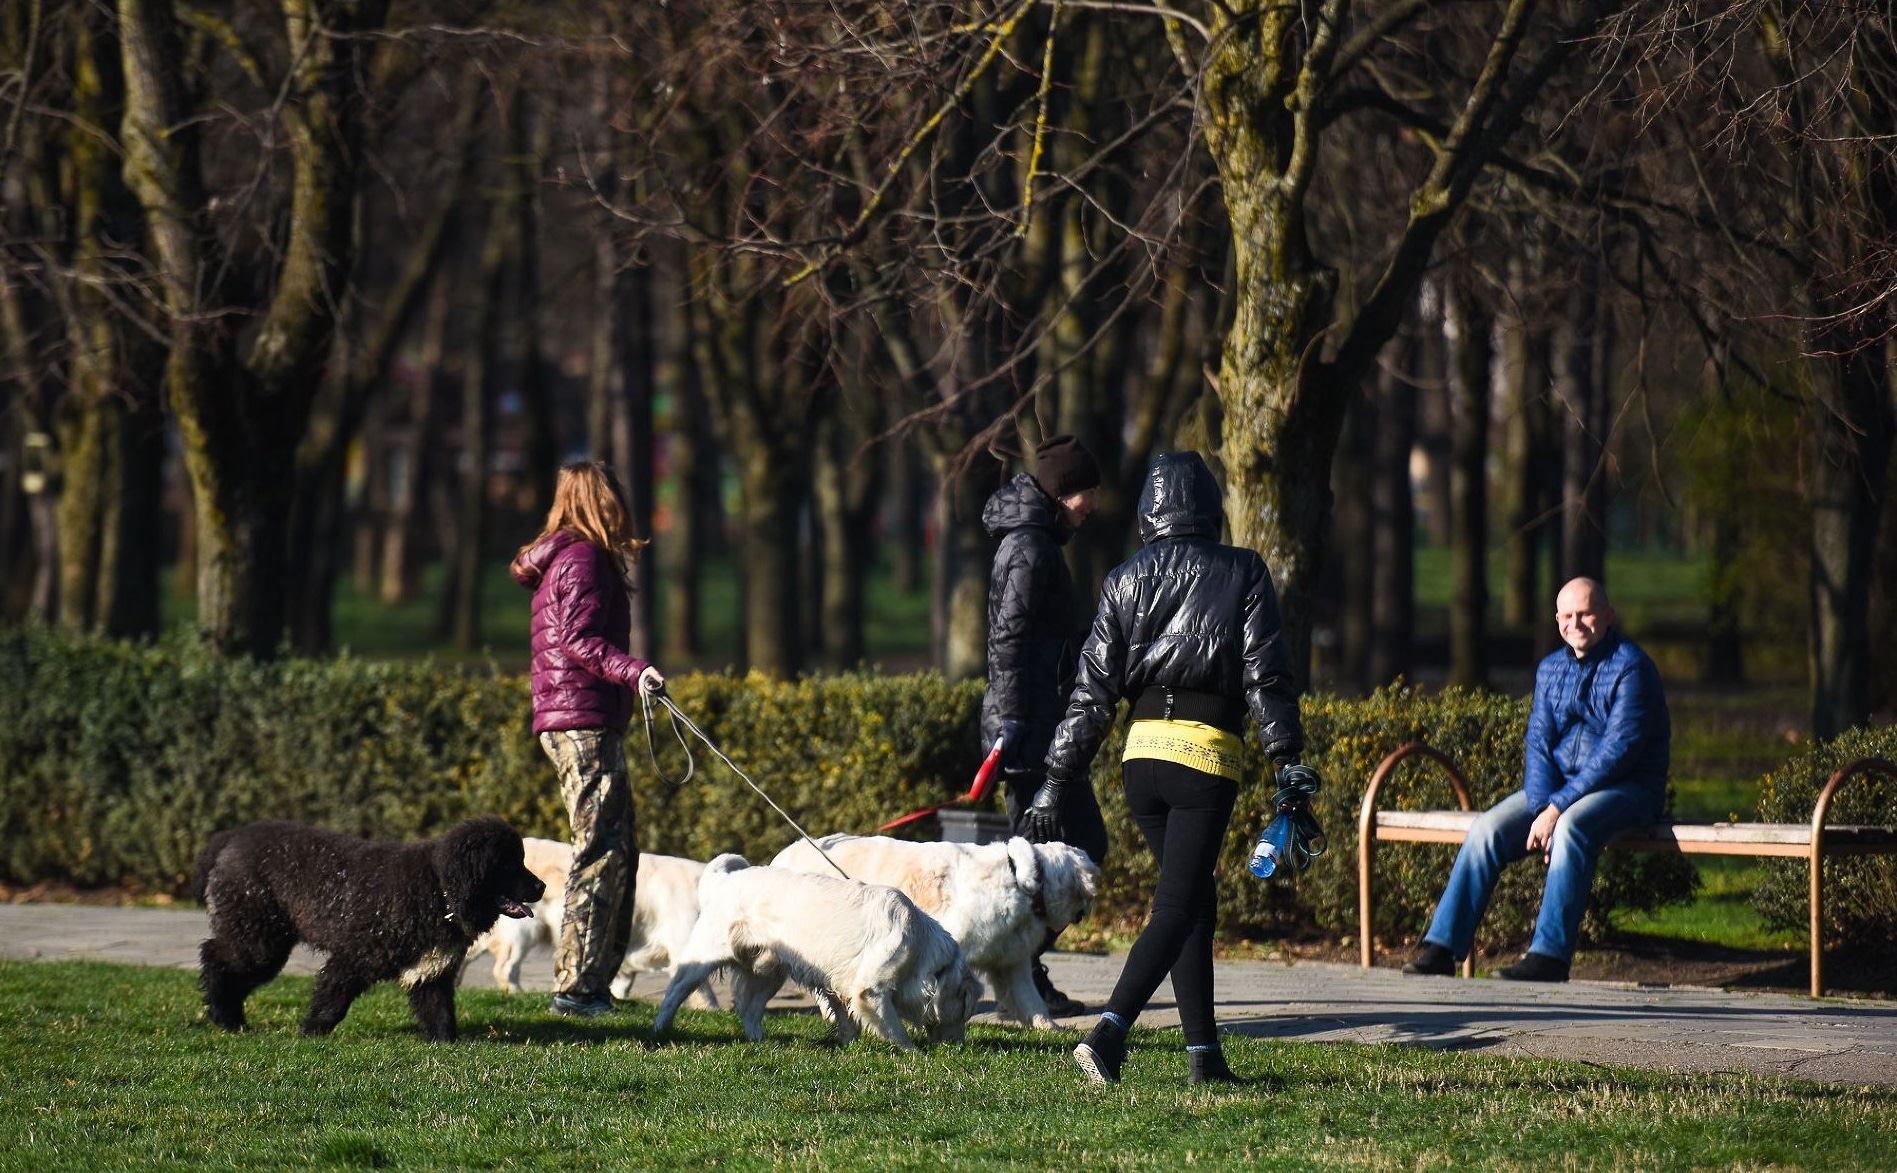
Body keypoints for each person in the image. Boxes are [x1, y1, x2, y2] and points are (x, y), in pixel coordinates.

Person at [1027, 451, 1305, 1086]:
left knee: (1195, 902)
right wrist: (1288, 761)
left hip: (1142, 761)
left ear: (1148, 513)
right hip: (1204, 758)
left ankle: (1205, 1059)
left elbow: (1092, 695)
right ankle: (1109, 1033)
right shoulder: (1243, 570)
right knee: (1179, 905)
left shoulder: (1124, 578)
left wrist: (1055, 780)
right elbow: (1267, 678)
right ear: (1210, 507)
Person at [1403, 575, 1671, 983]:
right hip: (1559, 791)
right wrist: (1545, 805)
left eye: (1585, 614)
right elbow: (1539, 744)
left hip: (1628, 788)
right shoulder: (1550, 669)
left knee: (1572, 826)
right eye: (1567, 615)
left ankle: (1549, 958)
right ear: (1557, 620)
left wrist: (1557, 810)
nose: (1575, 624)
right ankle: (1441, 948)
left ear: (1608, 616)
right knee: (1487, 829)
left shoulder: (1633, 668)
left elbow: (1618, 753)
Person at [510, 459, 665, 1018]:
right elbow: (578, 639)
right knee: (601, 851)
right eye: (614, 496)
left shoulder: (570, 557)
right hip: (582, 721)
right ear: (601, 500)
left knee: (618, 850)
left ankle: (593, 985)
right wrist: (635, 671)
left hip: (576, 718)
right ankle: (577, 989)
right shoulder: (583, 558)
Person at [980, 433, 1110, 1017]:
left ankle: (1021, 975)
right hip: (1030, 731)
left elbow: (1043, 639)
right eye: (1087, 492)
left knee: (1051, 855)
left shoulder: (1038, 541)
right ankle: (1018, 976)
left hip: (1041, 723)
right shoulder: (1029, 547)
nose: (1094, 504)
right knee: (1057, 854)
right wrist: (1012, 722)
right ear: (1061, 492)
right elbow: (1008, 641)